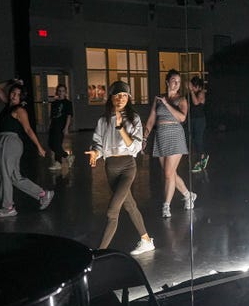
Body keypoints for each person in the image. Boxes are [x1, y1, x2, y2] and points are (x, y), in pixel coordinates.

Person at [85, 81, 155, 255]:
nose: (120, 98)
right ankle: (146, 240)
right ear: (111, 97)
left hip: (127, 167)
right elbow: (98, 143)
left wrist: (120, 127)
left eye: (124, 95)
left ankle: (99, 253)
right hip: (110, 168)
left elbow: (136, 148)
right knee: (130, 205)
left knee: (112, 211)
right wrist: (95, 152)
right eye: (117, 95)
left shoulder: (134, 119)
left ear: (129, 98)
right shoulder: (103, 120)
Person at [0, 79, 54, 217]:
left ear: (21, 98)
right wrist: (11, 81)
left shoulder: (19, 110)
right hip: (5, 141)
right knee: (14, 177)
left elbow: (28, 129)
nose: (13, 96)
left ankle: (8, 207)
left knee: (4, 175)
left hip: (10, 141)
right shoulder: (8, 106)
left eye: (17, 94)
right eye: (13, 93)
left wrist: (39, 146)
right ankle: (43, 194)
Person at [144, 69, 196, 218]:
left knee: (168, 173)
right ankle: (188, 195)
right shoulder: (158, 98)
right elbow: (151, 119)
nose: (176, 84)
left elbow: (182, 118)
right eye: (173, 80)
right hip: (160, 136)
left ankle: (166, 206)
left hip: (175, 136)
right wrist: (145, 137)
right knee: (171, 173)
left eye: (179, 82)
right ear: (167, 81)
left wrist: (167, 104)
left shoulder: (182, 100)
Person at [48, 84, 74, 170]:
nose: (61, 93)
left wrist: (66, 127)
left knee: (57, 144)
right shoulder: (54, 103)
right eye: (59, 91)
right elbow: (52, 116)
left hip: (61, 126)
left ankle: (58, 163)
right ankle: (67, 157)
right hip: (53, 125)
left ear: (65, 92)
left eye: (63, 91)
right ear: (57, 92)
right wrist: (50, 125)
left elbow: (69, 116)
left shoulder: (68, 103)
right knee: (51, 144)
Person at [189, 76, 209, 172]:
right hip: (193, 119)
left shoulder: (201, 93)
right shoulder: (191, 94)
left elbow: (196, 103)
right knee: (194, 140)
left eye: (193, 86)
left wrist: (192, 92)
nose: (192, 88)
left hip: (200, 120)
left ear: (198, 86)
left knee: (198, 139)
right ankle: (199, 159)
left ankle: (202, 158)